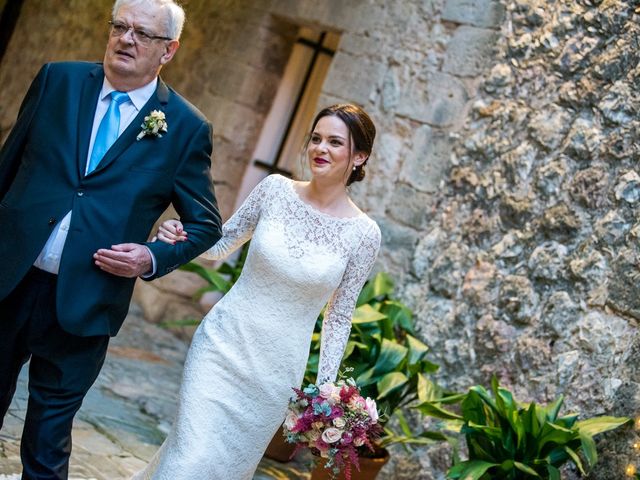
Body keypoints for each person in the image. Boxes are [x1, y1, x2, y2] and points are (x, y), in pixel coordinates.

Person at [0, 0, 222, 478]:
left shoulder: (184, 127)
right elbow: (8, 166)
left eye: (143, 33)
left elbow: (206, 224)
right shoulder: (56, 80)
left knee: (45, 444)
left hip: (87, 303)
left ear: (169, 51)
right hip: (8, 279)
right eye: (120, 26)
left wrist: (151, 257)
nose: (126, 39)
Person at [134, 103, 381, 479]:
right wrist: (177, 236)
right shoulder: (275, 190)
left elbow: (340, 315)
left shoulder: (364, 234)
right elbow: (220, 243)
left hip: (275, 373)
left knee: (225, 469)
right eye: (316, 138)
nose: (320, 149)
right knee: (191, 457)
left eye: (335, 142)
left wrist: (325, 393)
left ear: (359, 156)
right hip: (222, 344)